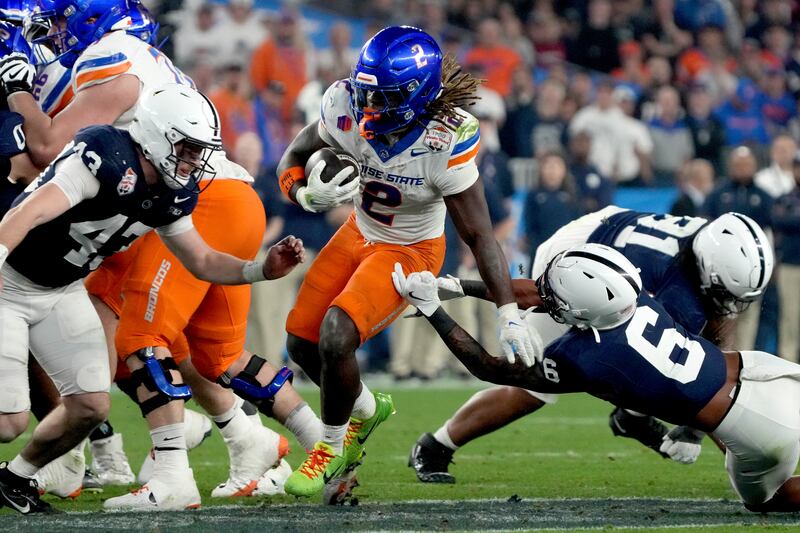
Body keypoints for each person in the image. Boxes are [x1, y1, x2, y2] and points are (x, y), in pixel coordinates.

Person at [0, 82, 305, 514]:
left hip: (61, 288)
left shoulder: (170, 190)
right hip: (9, 284)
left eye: (200, 151)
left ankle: (13, 478)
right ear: (158, 135)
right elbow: (27, 212)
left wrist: (259, 269)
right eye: (188, 149)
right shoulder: (104, 155)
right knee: (8, 422)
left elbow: (200, 259)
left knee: (90, 405)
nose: (195, 162)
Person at [275, 25, 537, 498]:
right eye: (366, 92)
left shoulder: (445, 139)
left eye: (383, 97)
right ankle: (367, 409)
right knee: (301, 345)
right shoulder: (344, 105)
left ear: (418, 95)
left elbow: (478, 234)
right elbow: (294, 155)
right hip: (357, 231)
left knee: (337, 334)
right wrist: (302, 191)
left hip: (410, 250)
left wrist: (508, 313)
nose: (368, 107)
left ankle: (333, 448)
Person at [395, 243, 800, 513]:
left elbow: (487, 366)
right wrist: (454, 286)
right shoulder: (633, 296)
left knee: (768, 501)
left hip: (758, 429)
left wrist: (434, 309)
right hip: (766, 373)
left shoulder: (589, 360)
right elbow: (536, 293)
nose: (548, 298)